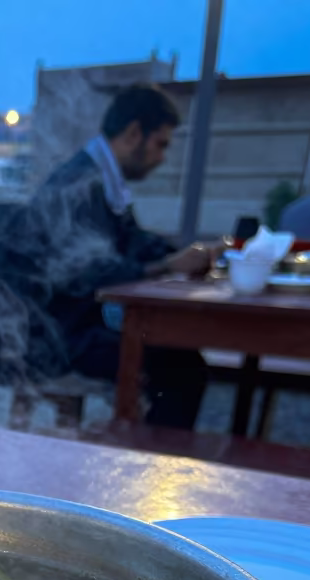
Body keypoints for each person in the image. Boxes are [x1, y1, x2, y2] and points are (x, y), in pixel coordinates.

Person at [37, 85, 217, 429]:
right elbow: (84, 272)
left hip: (80, 322)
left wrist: (181, 254)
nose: (162, 157)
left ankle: (152, 456)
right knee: (183, 368)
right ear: (135, 133)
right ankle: (152, 466)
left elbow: (132, 239)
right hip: (60, 334)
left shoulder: (102, 177)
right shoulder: (77, 183)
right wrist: (165, 266)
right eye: (160, 144)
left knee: (179, 355)